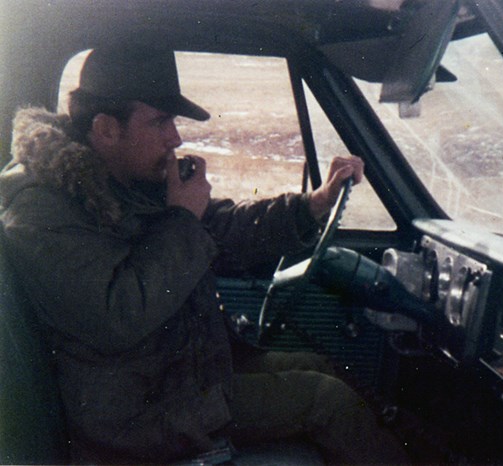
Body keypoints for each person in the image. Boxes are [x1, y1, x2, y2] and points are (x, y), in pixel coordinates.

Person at [0, 46, 408, 464]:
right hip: (137, 413)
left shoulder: (124, 178)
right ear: (106, 129)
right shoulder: (42, 208)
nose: (175, 137)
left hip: (172, 375)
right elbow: (116, 315)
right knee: (327, 401)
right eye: (161, 121)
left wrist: (312, 205)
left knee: (317, 364)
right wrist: (181, 217)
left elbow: (222, 230)